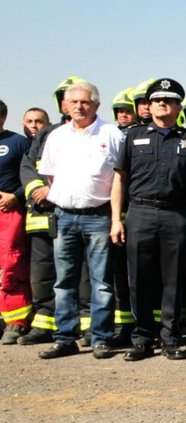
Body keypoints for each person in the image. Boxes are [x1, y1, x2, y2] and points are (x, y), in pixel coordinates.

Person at [110, 78, 186, 361]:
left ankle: (170, 339)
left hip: (176, 214)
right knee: (139, 279)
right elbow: (120, 179)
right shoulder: (133, 136)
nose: (163, 103)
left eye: (169, 100)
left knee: (173, 280)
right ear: (148, 107)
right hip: (140, 213)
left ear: (178, 107)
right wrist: (116, 219)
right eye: (157, 100)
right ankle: (142, 339)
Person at [35, 81, 124, 359]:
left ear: (96, 104)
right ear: (65, 105)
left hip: (98, 216)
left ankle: (101, 339)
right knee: (64, 282)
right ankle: (65, 338)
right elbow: (50, 176)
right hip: (64, 216)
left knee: (102, 283)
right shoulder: (57, 136)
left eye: (85, 102)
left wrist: (115, 219)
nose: (79, 106)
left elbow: (120, 177)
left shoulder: (111, 134)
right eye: (73, 102)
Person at [18, 77, 89, 346]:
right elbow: (28, 166)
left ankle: (87, 324)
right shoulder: (47, 134)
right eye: (65, 98)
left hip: (75, 213)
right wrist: (38, 189)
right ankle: (45, 322)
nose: (71, 104)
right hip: (42, 216)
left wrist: (54, 190)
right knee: (43, 273)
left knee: (82, 273)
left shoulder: (92, 132)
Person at [0, 100, 32, 344]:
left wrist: (16, 196)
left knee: (12, 265)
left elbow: (32, 175)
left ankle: (16, 321)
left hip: (8, 211)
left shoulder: (18, 142)